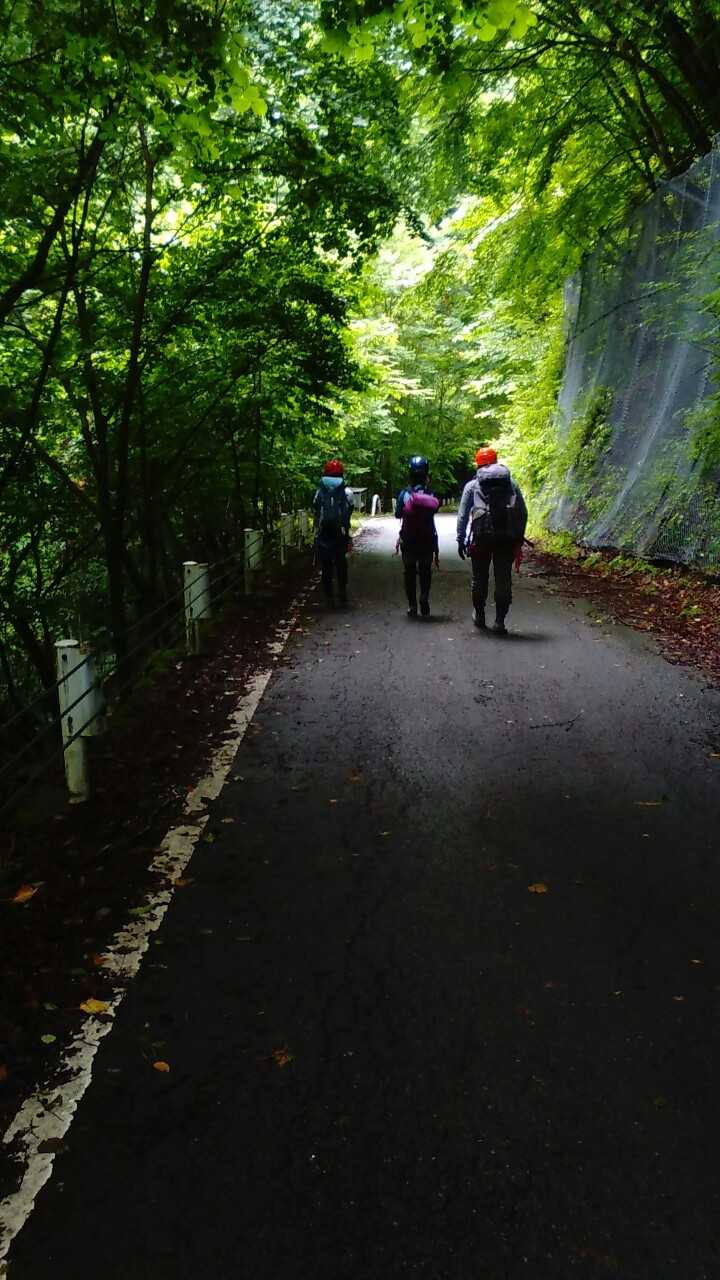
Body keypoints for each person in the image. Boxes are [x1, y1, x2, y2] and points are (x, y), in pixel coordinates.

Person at [456, 447, 527, 634]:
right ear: (496, 461)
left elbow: (463, 516)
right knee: (503, 578)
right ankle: (499, 622)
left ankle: (479, 615)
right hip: (506, 538)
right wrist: (518, 539)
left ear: (478, 464)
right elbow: (522, 512)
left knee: (479, 578)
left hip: (481, 537)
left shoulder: (472, 486)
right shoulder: (511, 484)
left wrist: (460, 539)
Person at [395, 455, 440, 618]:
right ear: (426, 473)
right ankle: (424, 597)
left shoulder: (404, 494)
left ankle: (412, 605)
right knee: (425, 570)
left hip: (408, 538)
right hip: (427, 538)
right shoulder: (431, 493)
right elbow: (435, 509)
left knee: (409, 572)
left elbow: (398, 514)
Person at [313, 459, 354, 605]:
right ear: (341, 474)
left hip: (324, 532)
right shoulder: (347, 492)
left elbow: (316, 510)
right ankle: (342, 592)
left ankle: (329, 596)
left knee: (326, 566)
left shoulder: (320, 491)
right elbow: (349, 512)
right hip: (340, 533)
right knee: (341, 562)